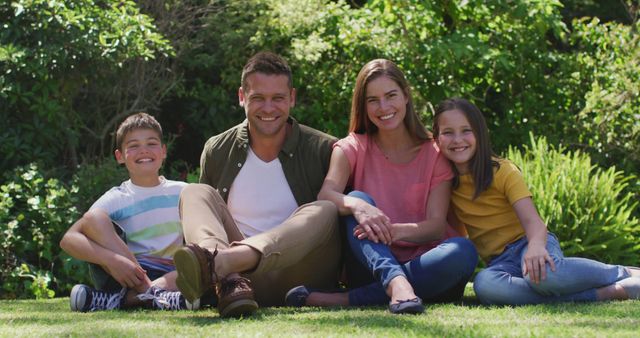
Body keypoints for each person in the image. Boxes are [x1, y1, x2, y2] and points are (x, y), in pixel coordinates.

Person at [285, 59, 478, 314]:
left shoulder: (434, 153)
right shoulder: (353, 146)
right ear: (363, 106)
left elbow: (435, 227)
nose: (383, 107)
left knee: (463, 251)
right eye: (372, 100)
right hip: (371, 265)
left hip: (428, 266)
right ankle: (395, 283)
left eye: (391, 96)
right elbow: (326, 195)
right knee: (355, 198)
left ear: (406, 96)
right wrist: (359, 206)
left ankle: (346, 299)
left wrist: (390, 231)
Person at [172, 51, 341, 318]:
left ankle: (217, 263)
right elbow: (205, 220)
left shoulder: (324, 148)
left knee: (327, 209)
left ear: (292, 98)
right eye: (258, 98)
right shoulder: (218, 149)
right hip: (241, 283)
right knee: (194, 191)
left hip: (301, 275)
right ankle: (224, 272)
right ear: (242, 97)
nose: (268, 108)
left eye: (278, 98)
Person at [432, 97, 640, 305]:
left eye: (466, 130)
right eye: (448, 132)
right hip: (500, 263)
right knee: (485, 285)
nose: (457, 139)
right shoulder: (444, 183)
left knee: (543, 276)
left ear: (480, 133)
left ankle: (622, 273)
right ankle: (606, 294)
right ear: (437, 139)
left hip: (529, 243)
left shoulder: (503, 171)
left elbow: (534, 222)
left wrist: (536, 248)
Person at [60, 112, 196, 312]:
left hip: (172, 274)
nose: (144, 151)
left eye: (151, 143)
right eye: (133, 146)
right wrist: (111, 260)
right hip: (129, 272)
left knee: (204, 261)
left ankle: (118, 300)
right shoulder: (117, 198)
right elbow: (68, 240)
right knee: (93, 217)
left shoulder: (183, 191)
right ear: (120, 156)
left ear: (164, 151)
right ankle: (158, 297)